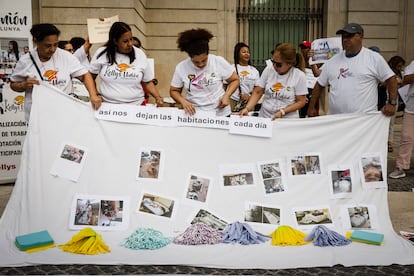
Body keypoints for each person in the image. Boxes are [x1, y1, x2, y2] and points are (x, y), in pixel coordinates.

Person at [9, 23, 99, 121]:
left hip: (64, 114)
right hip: (38, 118)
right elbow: (13, 84)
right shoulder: (25, 61)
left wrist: (93, 95)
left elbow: (85, 75)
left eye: (55, 44)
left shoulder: (66, 56)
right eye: (47, 45)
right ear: (36, 42)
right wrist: (23, 85)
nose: (52, 49)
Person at [307, 23, 398, 117]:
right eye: (343, 37)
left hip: (363, 121)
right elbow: (319, 84)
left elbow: (391, 79)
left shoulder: (373, 58)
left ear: (361, 36)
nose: (345, 40)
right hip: (335, 120)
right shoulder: (332, 61)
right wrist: (311, 106)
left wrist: (392, 103)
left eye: (350, 36)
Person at [88, 21, 164, 110]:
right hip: (107, 107)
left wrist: (158, 97)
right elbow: (90, 76)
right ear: (115, 41)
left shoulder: (139, 54)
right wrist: (95, 94)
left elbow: (147, 82)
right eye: (125, 41)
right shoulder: (102, 53)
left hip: (136, 106)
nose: (130, 44)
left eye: (131, 39)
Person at [169, 28, 239, 116]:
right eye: (196, 62)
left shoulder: (218, 61)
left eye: (204, 60)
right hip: (195, 114)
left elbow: (235, 80)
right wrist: (183, 102)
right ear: (190, 57)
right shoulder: (181, 67)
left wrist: (227, 95)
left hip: (221, 113)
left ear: (208, 53)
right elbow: (174, 91)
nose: (201, 64)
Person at [239, 43, 308, 120]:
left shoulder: (299, 76)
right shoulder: (269, 69)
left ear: (289, 64)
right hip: (265, 117)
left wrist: (283, 112)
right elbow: (258, 91)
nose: (274, 66)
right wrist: (247, 108)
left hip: (287, 120)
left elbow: (301, 102)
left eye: (278, 64)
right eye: (273, 62)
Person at [389, 59, 414, 179]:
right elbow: (407, 79)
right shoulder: (413, 64)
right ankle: (401, 167)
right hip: (412, 109)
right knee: (407, 137)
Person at [228, 42, 260, 112]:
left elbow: (257, 89)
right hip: (232, 100)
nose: (247, 54)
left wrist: (249, 96)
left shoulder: (254, 71)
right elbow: (224, 85)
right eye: (244, 52)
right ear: (238, 54)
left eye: (248, 52)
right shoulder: (231, 68)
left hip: (248, 102)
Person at [387, 55, 406, 152]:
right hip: (385, 98)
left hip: (396, 99)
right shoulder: (387, 72)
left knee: (391, 122)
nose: (400, 68)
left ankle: (389, 141)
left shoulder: (401, 74)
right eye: (398, 66)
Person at [298, 40, 320, 118]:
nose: (303, 50)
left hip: (313, 89)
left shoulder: (316, 59)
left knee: (313, 112)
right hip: (302, 88)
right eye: (302, 48)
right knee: (301, 113)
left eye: (305, 48)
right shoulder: (299, 60)